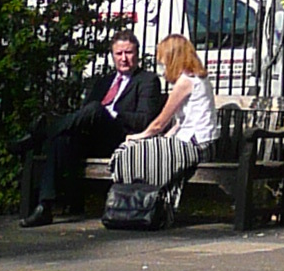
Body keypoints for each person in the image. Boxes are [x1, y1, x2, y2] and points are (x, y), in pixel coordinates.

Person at [23, 24, 162, 223]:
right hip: (91, 138)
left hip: (120, 138)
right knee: (62, 139)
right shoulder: (103, 81)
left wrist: (112, 113)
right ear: (113, 56)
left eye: (129, 53)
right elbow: (84, 115)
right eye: (119, 53)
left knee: (97, 108)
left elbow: (144, 119)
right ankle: (45, 206)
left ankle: (42, 134)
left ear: (137, 54)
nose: (124, 58)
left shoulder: (147, 80)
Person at [103, 33, 222, 204]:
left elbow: (159, 123)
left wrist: (139, 137)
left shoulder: (185, 82)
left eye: (164, 60)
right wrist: (163, 139)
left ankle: (139, 201)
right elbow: (181, 122)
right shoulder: (197, 77)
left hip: (197, 146)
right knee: (142, 150)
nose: (163, 65)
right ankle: (143, 199)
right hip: (199, 142)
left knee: (132, 151)